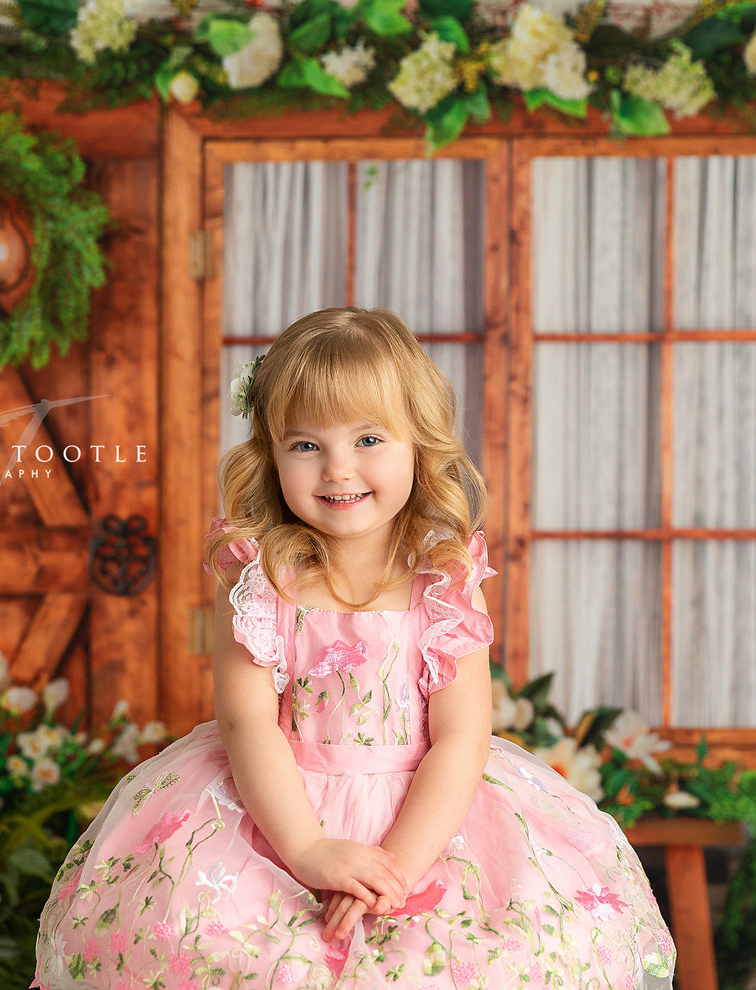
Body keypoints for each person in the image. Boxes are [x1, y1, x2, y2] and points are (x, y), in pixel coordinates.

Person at [33, 307, 676, 989]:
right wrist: (310, 851)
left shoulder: (444, 578)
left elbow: (461, 737)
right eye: (305, 445)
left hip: (428, 822)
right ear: (270, 454)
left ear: (418, 443)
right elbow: (246, 723)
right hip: (278, 811)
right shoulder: (259, 577)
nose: (338, 469)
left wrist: (393, 870)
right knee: (230, 955)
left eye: (368, 438)